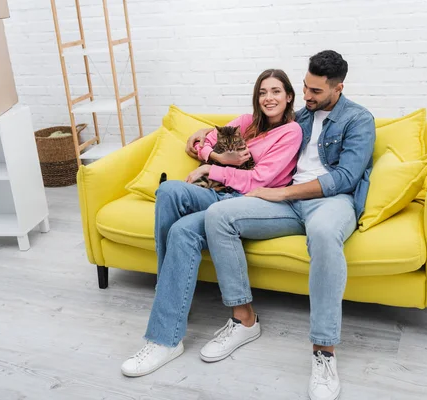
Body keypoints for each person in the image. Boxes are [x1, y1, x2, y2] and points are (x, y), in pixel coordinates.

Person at [188, 50, 376, 400]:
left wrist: (283, 192)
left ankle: (324, 352)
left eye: (316, 92)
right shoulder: (299, 117)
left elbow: (346, 178)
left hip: (330, 201)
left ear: (338, 88)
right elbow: (251, 129)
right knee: (219, 215)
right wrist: (206, 136)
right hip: (288, 202)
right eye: (305, 87)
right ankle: (243, 320)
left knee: (321, 233)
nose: (307, 96)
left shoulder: (359, 119)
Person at [120, 69, 303, 377]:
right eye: (262, 92)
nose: (268, 98)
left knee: (182, 231)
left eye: (275, 91)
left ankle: (165, 337)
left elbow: (258, 180)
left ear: (288, 97)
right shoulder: (246, 123)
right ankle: (170, 298)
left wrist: (211, 168)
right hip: (222, 195)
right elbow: (200, 143)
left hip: (251, 202)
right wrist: (217, 158)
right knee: (168, 190)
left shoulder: (291, 132)